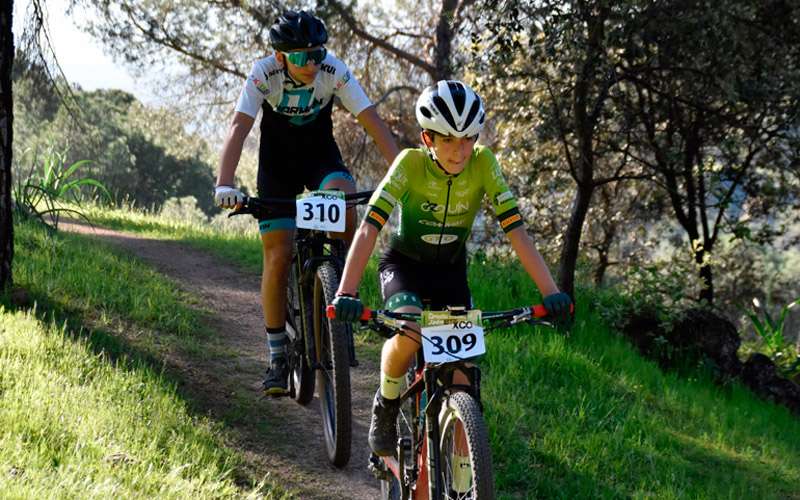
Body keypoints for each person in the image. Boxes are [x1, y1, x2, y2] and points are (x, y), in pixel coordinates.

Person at [331, 80, 573, 459]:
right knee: (410, 331)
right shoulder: (409, 164)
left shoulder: (483, 163)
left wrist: (550, 292)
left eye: (467, 139)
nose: (460, 151)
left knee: (462, 377)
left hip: (450, 272)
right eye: (447, 140)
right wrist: (346, 291)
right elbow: (369, 226)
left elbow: (517, 231)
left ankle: (463, 467)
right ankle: (388, 401)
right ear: (427, 138)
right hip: (404, 265)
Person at [215, 10, 400, 396]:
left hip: (320, 158)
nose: (312, 64)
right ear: (281, 57)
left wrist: (403, 172)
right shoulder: (263, 72)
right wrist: (225, 182)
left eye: (317, 53)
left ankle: (341, 280)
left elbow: (371, 120)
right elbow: (239, 127)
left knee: (344, 201)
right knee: (279, 255)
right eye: (302, 57)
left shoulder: (333, 70)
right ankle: (278, 356)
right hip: (276, 166)